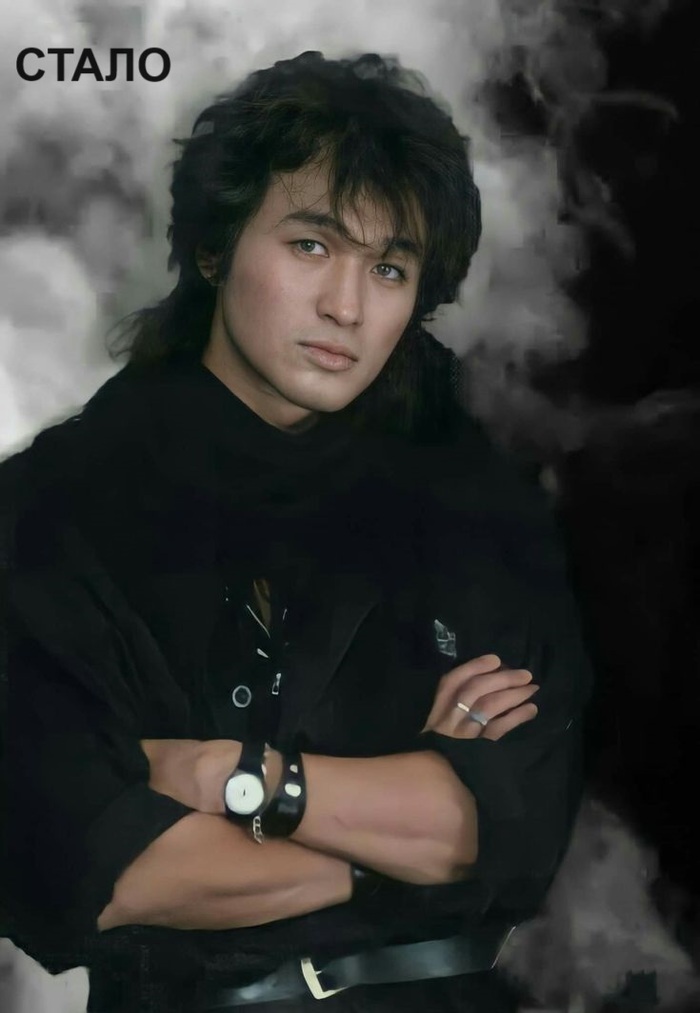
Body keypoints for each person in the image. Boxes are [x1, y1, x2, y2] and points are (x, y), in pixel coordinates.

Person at [0, 51, 592, 1012]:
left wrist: (234, 778)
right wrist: (395, 841)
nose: (345, 308)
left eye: (388, 268)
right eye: (312, 245)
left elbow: (515, 830)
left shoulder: (474, 491)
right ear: (214, 247)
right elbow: (97, 870)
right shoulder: (48, 511)